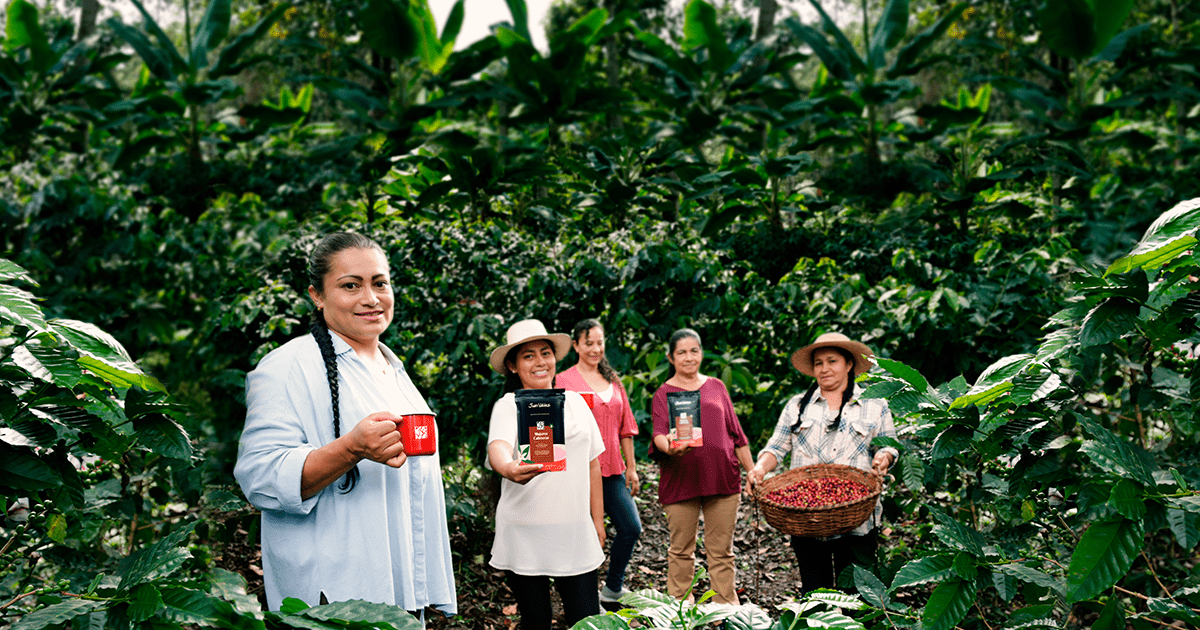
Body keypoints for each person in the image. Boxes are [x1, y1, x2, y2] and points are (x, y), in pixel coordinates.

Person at [234, 232, 457, 619]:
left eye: (380, 283)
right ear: (317, 295)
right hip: (335, 602)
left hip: (402, 593)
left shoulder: (394, 370)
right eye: (350, 285)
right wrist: (352, 448)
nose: (370, 299)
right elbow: (261, 478)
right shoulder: (287, 367)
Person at [745, 332, 898, 593]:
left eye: (832, 361)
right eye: (818, 363)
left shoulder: (874, 405)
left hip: (858, 517)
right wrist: (759, 469)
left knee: (858, 596)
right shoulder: (796, 406)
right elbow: (777, 447)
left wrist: (884, 457)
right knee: (816, 593)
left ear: (849, 364)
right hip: (807, 519)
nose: (824, 369)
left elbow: (889, 445)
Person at [486, 319, 606, 629]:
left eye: (545, 353)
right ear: (513, 366)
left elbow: (593, 464)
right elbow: (497, 448)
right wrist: (509, 468)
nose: (540, 362)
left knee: (586, 620)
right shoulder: (507, 405)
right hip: (525, 531)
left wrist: (597, 521)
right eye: (528, 356)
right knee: (536, 622)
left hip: (574, 530)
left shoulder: (577, 403)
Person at [649, 328, 754, 605]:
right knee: (681, 550)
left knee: (721, 551)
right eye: (681, 352)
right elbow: (659, 433)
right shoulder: (663, 393)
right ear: (671, 357)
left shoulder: (716, 386)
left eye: (694, 351)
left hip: (722, 477)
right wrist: (670, 447)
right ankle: (681, 607)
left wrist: (752, 471)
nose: (688, 357)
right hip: (681, 479)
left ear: (701, 353)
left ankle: (726, 609)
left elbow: (737, 434)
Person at [556, 318, 642, 604]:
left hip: (613, 470)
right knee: (587, 534)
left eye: (600, 343)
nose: (595, 349)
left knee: (630, 528)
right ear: (577, 345)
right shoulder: (564, 381)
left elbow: (626, 427)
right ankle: (584, 599)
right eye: (589, 343)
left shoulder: (613, 380)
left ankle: (612, 588)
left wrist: (631, 467)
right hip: (578, 474)